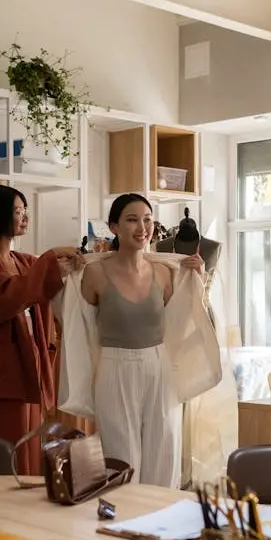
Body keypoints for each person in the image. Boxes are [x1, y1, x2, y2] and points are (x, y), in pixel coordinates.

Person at [80, 193, 204, 487]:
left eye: (147, 220)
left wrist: (197, 278)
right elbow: (76, 323)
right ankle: (121, 525)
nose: (142, 227)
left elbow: (182, 320)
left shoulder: (164, 272)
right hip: (114, 367)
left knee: (165, 448)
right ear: (114, 227)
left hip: (159, 364)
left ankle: (162, 525)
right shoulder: (94, 273)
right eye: (132, 220)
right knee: (121, 457)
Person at [0, 184, 83, 475]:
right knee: (9, 457)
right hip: (4, 370)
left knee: (33, 455)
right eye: (18, 212)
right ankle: (3, 519)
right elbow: (8, 296)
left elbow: (47, 280)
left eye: (24, 211)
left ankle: (26, 517)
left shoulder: (24, 261)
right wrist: (54, 255)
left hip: (34, 366)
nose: (25, 217)